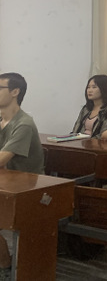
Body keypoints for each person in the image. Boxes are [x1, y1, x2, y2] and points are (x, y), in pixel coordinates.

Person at [0, 73, 44, 276]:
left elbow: (1, 159)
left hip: (27, 190)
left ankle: (5, 266)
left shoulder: (23, 123)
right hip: (5, 183)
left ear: (15, 92)